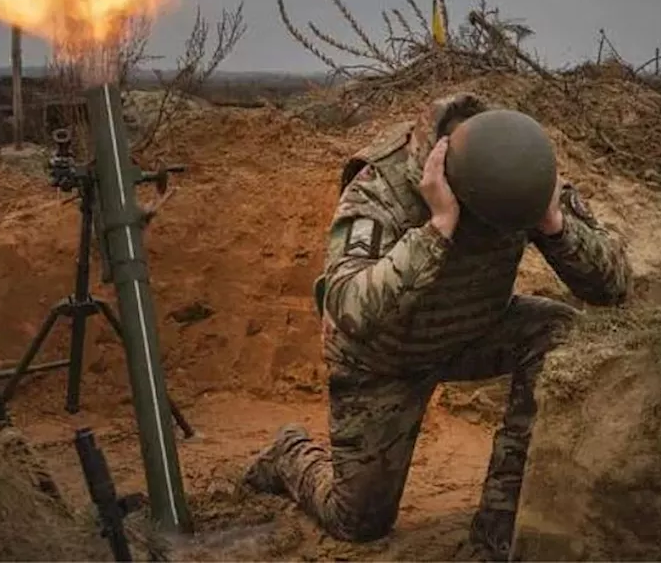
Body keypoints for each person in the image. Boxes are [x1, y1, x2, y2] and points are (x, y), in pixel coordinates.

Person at [242, 92, 634, 562]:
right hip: (384, 359)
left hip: (473, 330)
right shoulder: (380, 187)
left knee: (558, 331)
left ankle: (498, 523)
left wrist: (552, 224)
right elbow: (349, 310)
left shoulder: (516, 173)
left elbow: (613, 286)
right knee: (359, 523)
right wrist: (439, 227)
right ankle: (288, 453)